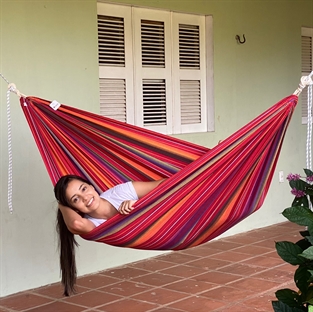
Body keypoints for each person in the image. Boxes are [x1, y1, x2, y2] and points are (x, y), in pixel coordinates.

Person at [55, 174, 165, 296]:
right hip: (158, 237)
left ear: (92, 187)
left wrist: (139, 203)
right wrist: (61, 205)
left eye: (84, 189)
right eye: (76, 199)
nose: (85, 198)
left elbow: (167, 186)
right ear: (73, 209)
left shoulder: (121, 192)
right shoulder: (92, 223)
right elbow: (76, 224)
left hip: (168, 222)